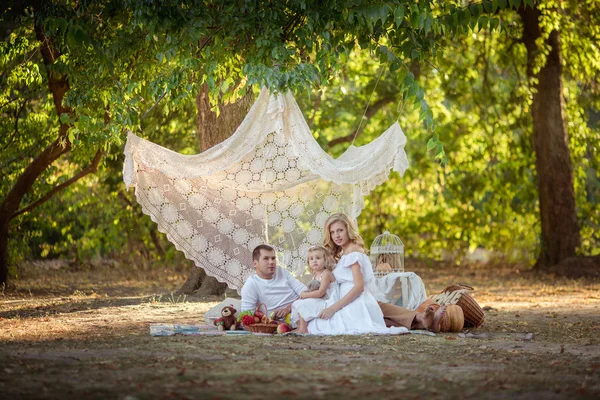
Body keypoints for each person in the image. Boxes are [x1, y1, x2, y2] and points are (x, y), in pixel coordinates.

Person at [240, 244, 307, 322]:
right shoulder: (251, 284)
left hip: (303, 308)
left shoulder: (281, 271)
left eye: (273, 258)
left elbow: (305, 291)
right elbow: (246, 319)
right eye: (266, 258)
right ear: (255, 263)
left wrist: (289, 308)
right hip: (285, 322)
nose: (271, 262)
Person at [291, 245, 337, 334]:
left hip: (328, 301)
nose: (314, 260)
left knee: (304, 304)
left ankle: (304, 329)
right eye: (311, 259)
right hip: (320, 299)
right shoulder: (315, 274)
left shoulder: (326, 274)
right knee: (297, 303)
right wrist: (304, 295)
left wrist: (305, 295)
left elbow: (321, 292)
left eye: (318, 258)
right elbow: (313, 290)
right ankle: (300, 326)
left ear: (325, 260)